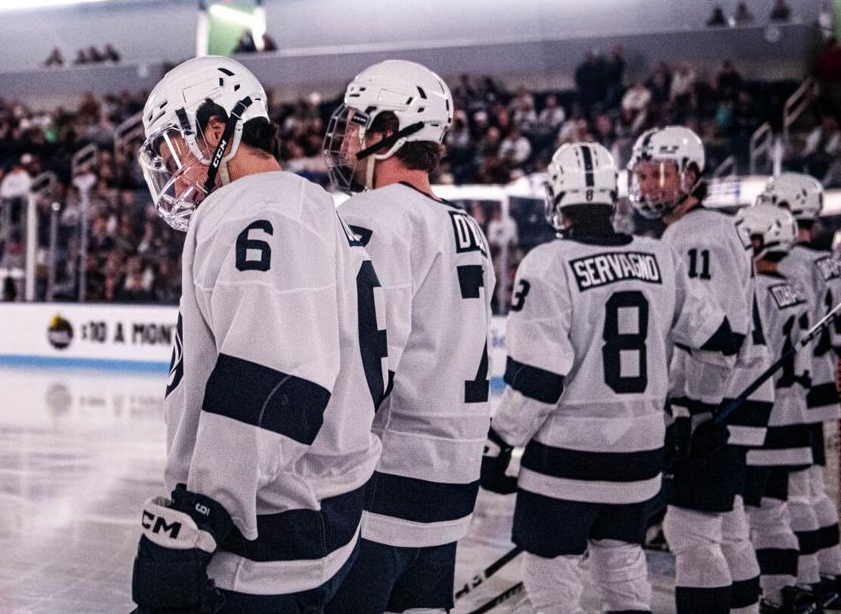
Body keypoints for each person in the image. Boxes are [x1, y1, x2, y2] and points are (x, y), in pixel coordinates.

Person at [130, 57, 382, 612]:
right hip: (310, 513)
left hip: (268, 535)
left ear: (216, 130)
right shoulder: (304, 205)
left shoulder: (260, 210)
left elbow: (273, 379)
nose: (171, 174)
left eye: (174, 149)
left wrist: (206, 510)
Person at [484, 142, 736, 614]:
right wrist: (689, 408)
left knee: (551, 575)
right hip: (640, 454)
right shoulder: (660, 257)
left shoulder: (547, 262)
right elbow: (719, 337)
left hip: (567, 455)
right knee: (622, 567)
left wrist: (499, 442)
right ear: (614, 194)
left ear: (557, 197)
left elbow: (539, 379)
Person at [322, 61, 494, 614]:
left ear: (388, 129)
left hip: (388, 475)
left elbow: (360, 357)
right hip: (454, 473)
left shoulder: (373, 214)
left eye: (356, 124)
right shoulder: (466, 224)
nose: (346, 139)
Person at [629, 127, 756, 614]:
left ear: (693, 175)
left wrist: (697, 411)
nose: (649, 186)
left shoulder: (698, 234)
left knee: (690, 530)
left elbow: (717, 336)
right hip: (715, 404)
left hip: (708, 408)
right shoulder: (694, 230)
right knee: (727, 527)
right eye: (642, 175)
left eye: (660, 174)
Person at [757, 173, 841, 609]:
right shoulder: (829, 262)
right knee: (813, 487)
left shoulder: (791, 263)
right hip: (820, 380)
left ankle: (810, 581)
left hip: (796, 389)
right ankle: (829, 576)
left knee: (795, 493)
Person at [734, 205, 822, 614]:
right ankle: (787, 589)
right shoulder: (794, 288)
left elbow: (749, 354)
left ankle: (752, 598)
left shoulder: (752, 289)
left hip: (762, 416)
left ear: (756, 240)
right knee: (774, 510)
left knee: (742, 516)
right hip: (794, 412)